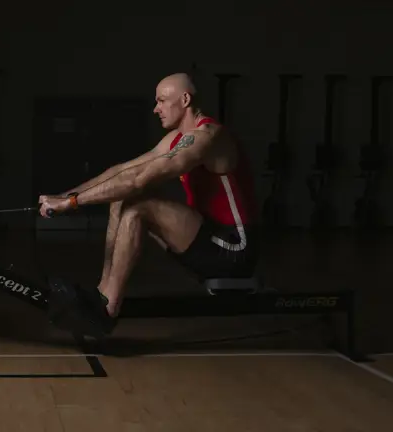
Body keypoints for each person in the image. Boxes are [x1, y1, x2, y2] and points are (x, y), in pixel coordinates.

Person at [38, 72, 259, 336]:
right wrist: (66, 195)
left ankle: (107, 310)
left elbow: (139, 180)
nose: (156, 109)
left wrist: (71, 204)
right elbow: (121, 172)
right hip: (207, 241)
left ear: (185, 99)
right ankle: (102, 294)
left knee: (138, 206)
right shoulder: (174, 140)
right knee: (121, 196)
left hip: (235, 248)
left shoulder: (208, 137)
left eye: (162, 101)